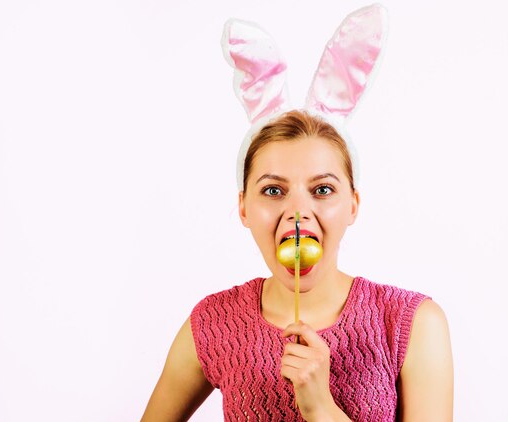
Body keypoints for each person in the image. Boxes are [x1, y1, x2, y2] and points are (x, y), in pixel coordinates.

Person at [142, 5, 453, 421]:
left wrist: (322, 407)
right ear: (244, 208)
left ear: (353, 205)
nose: (297, 213)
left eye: (322, 189)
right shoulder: (212, 324)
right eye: (273, 190)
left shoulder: (412, 324)